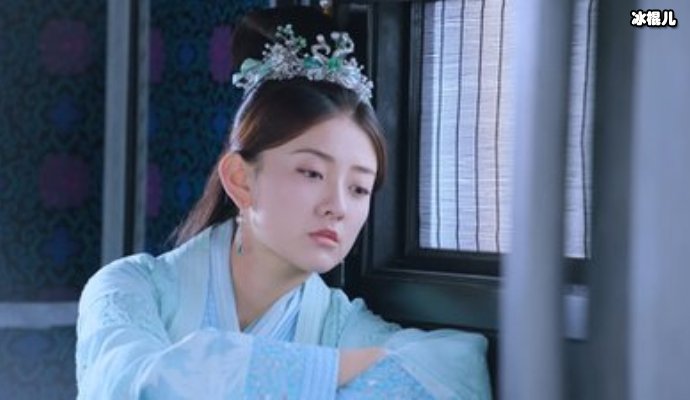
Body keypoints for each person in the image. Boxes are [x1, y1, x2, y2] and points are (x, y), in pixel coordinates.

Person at [75, 8, 491, 399]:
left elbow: (455, 370)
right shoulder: (131, 288)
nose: (337, 206)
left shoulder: (339, 325)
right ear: (240, 180)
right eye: (311, 173)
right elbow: (138, 384)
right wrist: (331, 373)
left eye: (359, 188)